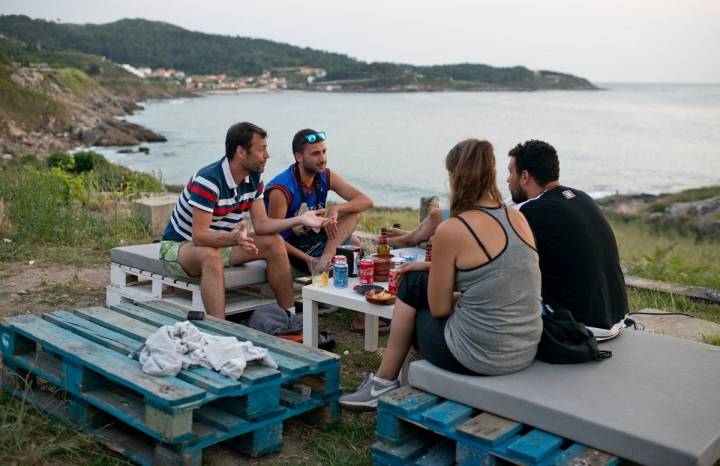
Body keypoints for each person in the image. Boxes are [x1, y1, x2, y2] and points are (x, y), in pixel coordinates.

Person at [340, 139, 542, 409]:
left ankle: (382, 385)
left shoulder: (454, 228)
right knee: (419, 279)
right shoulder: (517, 218)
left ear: (454, 177)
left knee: (411, 287)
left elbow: (439, 308)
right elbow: (496, 275)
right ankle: (401, 383)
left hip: (480, 356)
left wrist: (435, 283)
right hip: (526, 348)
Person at [160, 122, 328, 319]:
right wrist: (234, 239)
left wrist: (299, 219)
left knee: (274, 242)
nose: (267, 155)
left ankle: (288, 317)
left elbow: (262, 225)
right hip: (180, 248)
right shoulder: (209, 180)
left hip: (221, 245)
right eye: (261, 149)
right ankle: (219, 329)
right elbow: (200, 237)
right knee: (210, 255)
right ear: (240, 151)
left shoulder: (254, 179)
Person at [506, 139, 628, 333]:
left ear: (524, 176)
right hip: (617, 317)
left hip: (579, 327)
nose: (507, 179)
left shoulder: (529, 212)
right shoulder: (581, 197)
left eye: (510, 172)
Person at [265, 128, 375, 331]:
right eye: (315, 153)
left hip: (316, 240)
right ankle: (361, 315)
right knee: (351, 249)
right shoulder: (282, 189)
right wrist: (308, 260)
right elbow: (273, 238)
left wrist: (337, 209)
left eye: (324, 152)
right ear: (299, 156)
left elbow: (366, 201)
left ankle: (326, 262)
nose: (322, 158)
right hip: (291, 247)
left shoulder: (325, 176)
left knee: (353, 222)